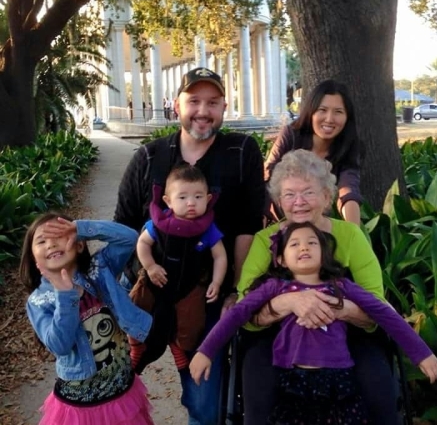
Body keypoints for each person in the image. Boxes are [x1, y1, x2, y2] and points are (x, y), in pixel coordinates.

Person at [114, 66, 265, 425]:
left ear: (224, 107)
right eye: (193, 100)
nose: (203, 110)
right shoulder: (149, 157)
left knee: (206, 404)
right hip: (148, 290)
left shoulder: (241, 151)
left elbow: (248, 227)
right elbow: (121, 225)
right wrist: (115, 288)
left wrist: (235, 291)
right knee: (114, 383)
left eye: (212, 102)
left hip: (206, 295)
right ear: (177, 105)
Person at [191, 221, 437, 424]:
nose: (304, 247)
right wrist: (206, 351)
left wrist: (421, 354)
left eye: (312, 243)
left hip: (339, 382)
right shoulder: (274, 287)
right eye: (294, 244)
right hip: (291, 382)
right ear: (280, 259)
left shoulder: (341, 287)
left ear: (325, 255)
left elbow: (383, 312)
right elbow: (237, 314)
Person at [237, 149, 403, 425]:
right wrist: (288, 303)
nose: (298, 202)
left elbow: (375, 304)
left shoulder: (350, 236)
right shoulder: (266, 240)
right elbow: (245, 306)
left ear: (326, 197)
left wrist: (334, 307)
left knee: (378, 393)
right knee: (258, 398)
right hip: (278, 338)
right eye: (289, 194)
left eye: (308, 193)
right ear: (279, 201)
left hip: (348, 336)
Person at [19, 212, 154, 425]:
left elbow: (130, 238)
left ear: (79, 245)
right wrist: (65, 297)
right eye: (42, 241)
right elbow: (60, 346)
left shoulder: (99, 269)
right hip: (81, 407)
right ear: (34, 258)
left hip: (122, 393)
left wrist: (81, 228)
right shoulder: (39, 301)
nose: (51, 244)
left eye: (60, 236)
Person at [130, 164, 227, 372]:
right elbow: (142, 243)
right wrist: (150, 266)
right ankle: (136, 344)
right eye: (182, 197)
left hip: (189, 285)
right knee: (135, 304)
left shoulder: (207, 228)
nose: (191, 203)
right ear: (168, 200)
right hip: (155, 278)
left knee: (191, 323)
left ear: (208, 199)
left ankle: (178, 346)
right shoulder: (159, 223)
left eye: (198, 197)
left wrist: (216, 282)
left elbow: (219, 256)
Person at [265, 79, 362, 224]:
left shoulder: (351, 146)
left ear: (347, 117)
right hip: (280, 219)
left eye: (338, 112)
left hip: (320, 224)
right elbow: (267, 177)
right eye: (322, 110)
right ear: (311, 112)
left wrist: (354, 233)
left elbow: (348, 190)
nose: (329, 119)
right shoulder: (291, 135)